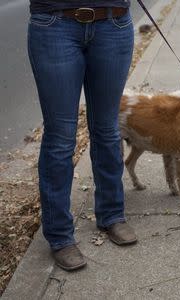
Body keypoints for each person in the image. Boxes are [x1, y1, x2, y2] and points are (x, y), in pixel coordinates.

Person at [28, 0, 138, 271]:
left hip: (113, 23)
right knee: (60, 137)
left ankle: (112, 215)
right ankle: (60, 235)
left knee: (108, 129)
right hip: (55, 24)